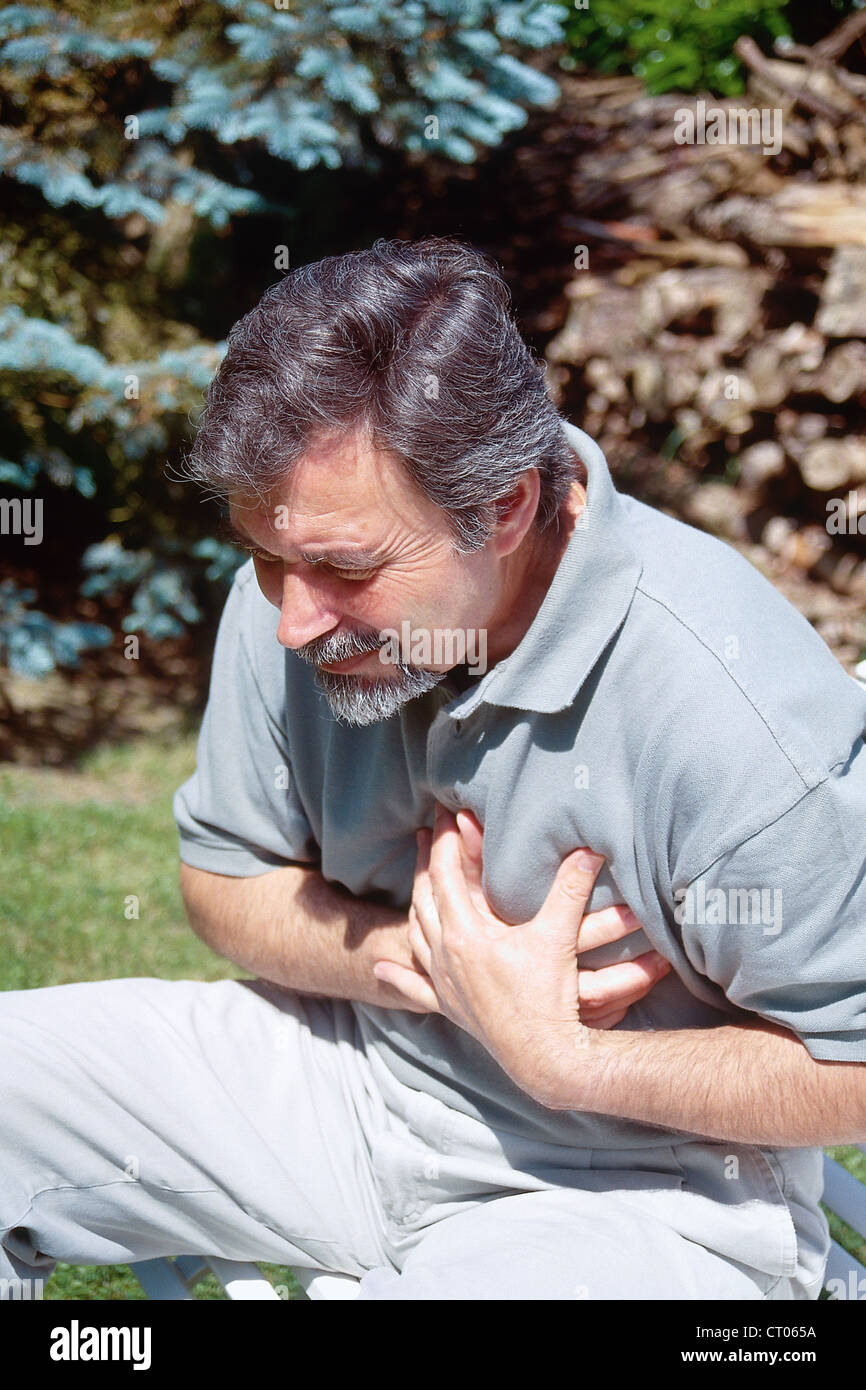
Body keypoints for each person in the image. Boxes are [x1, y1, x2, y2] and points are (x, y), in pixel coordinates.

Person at [2, 239, 864, 1301]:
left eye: (346, 569)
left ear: (503, 507)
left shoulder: (727, 710)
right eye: (265, 556)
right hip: (354, 1078)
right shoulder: (295, 587)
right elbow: (224, 882)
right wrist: (420, 957)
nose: (292, 619)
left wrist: (564, 1060)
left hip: (642, 1188)